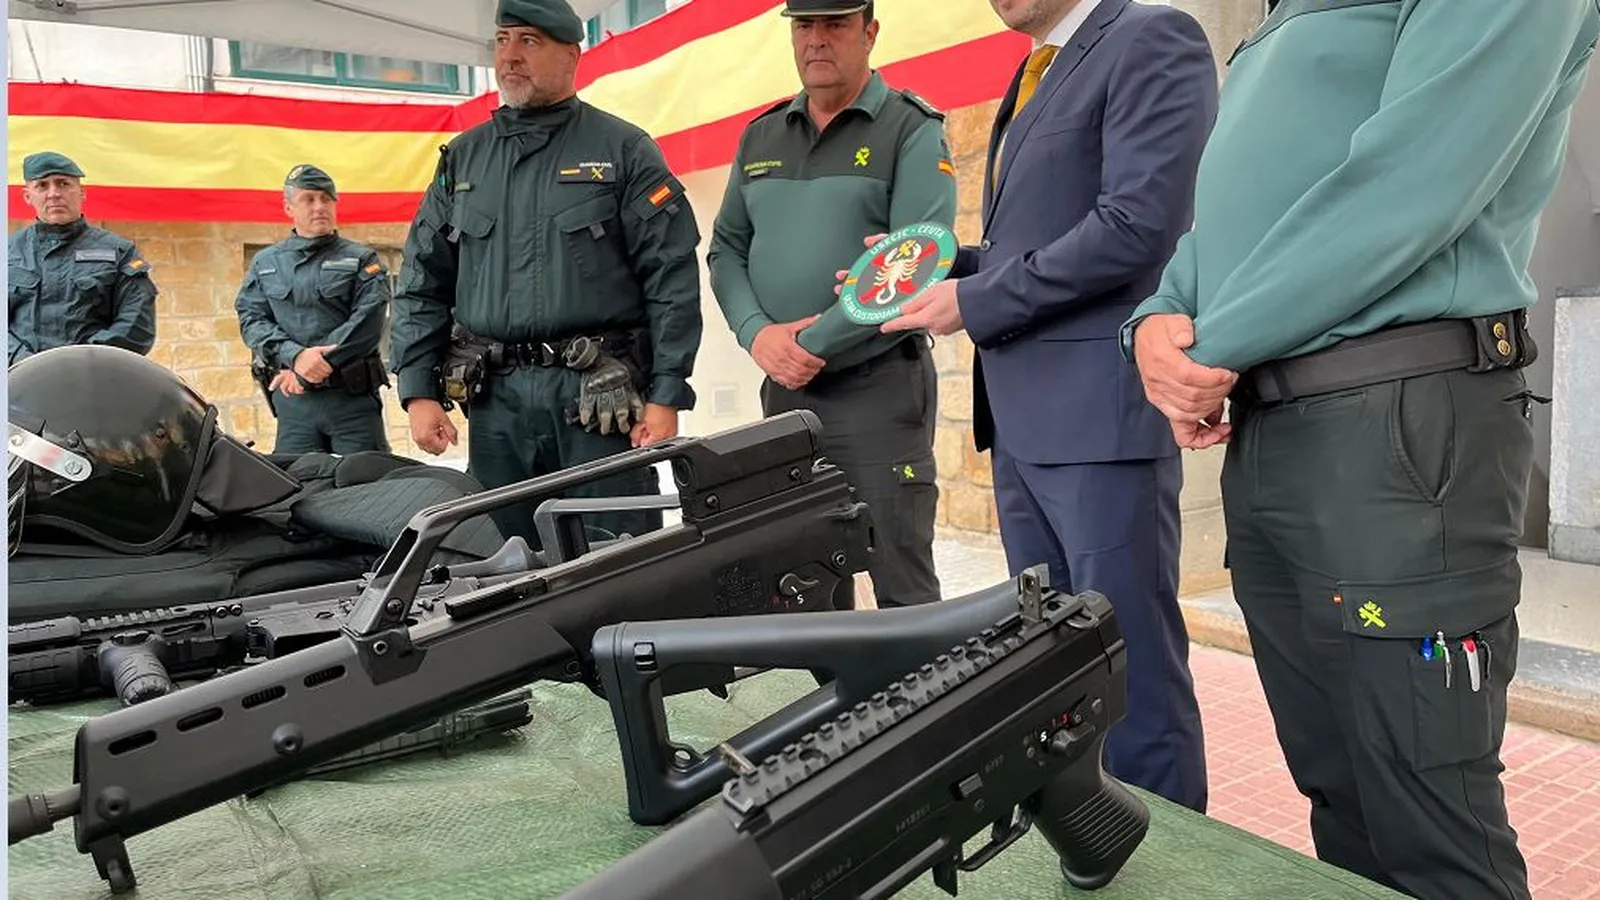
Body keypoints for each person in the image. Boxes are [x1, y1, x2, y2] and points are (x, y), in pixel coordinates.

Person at [1123, 2, 1600, 897]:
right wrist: (1156, 321)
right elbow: (1222, 225)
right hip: (1274, 423)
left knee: (1429, 821)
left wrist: (1207, 347)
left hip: (1397, 425)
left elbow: (1411, 184)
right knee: (1339, 799)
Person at [873, 0, 1218, 810]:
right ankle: (1088, 827)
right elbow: (1029, 245)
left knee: (1130, 671)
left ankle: (1165, 849)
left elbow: (1136, 227)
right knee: (1058, 664)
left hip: (1099, 423)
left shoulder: (1151, 38)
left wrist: (977, 300)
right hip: (1024, 425)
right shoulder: (1036, 69)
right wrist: (948, 269)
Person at [388, 0, 702, 546]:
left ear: (572, 55)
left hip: (598, 405)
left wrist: (667, 394)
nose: (510, 56)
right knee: (498, 565)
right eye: (502, 40)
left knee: (615, 561)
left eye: (529, 41)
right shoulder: (463, 159)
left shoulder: (622, 150)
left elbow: (671, 277)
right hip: (497, 408)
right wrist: (418, 391)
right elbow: (421, 280)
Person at [707, 0, 956, 609]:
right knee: (799, 584)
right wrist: (756, 333)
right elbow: (726, 250)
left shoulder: (910, 129)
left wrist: (804, 346)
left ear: (869, 33)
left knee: (901, 580)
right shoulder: (761, 135)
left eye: (835, 24)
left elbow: (915, 263)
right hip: (785, 395)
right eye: (804, 25)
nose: (816, 39)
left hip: (877, 390)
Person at [235, 164, 393, 454]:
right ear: (289, 208)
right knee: (298, 479)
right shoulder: (266, 263)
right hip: (295, 406)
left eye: (326, 199)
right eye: (308, 199)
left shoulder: (362, 259)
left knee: (366, 478)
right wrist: (294, 355)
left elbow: (367, 322)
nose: (319, 207)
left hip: (352, 403)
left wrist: (308, 369)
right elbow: (251, 319)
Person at [8, 151, 158, 364]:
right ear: (27, 196)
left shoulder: (120, 252)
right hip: (20, 377)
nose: (54, 194)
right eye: (42, 185)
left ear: (81, 192)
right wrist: (22, 361)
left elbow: (137, 324)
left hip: (95, 375)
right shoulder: (8, 252)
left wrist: (84, 360)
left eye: (63, 184)